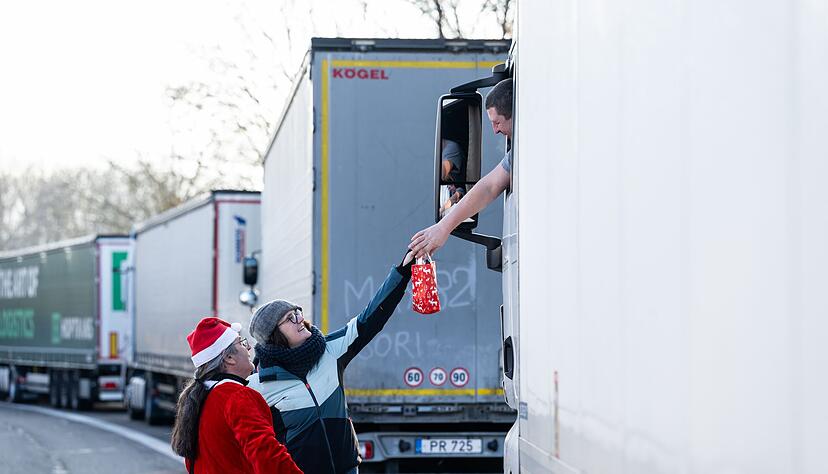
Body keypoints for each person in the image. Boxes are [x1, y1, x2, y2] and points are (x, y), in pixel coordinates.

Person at [246, 251, 415, 474]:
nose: (300, 319)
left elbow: (372, 316)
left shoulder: (329, 350)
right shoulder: (258, 386)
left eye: (298, 312)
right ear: (273, 336)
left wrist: (403, 271)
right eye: (290, 318)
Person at [171, 317, 302, 474]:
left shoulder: (200, 396)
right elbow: (267, 454)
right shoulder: (237, 396)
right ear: (229, 358)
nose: (249, 348)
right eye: (242, 343)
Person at [410, 78, 513, 258]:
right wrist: (442, 227)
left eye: (497, 122)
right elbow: (489, 186)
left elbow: (490, 186)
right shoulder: (519, 150)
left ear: (514, 115)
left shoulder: (451, 149)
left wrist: (443, 227)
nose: (495, 131)